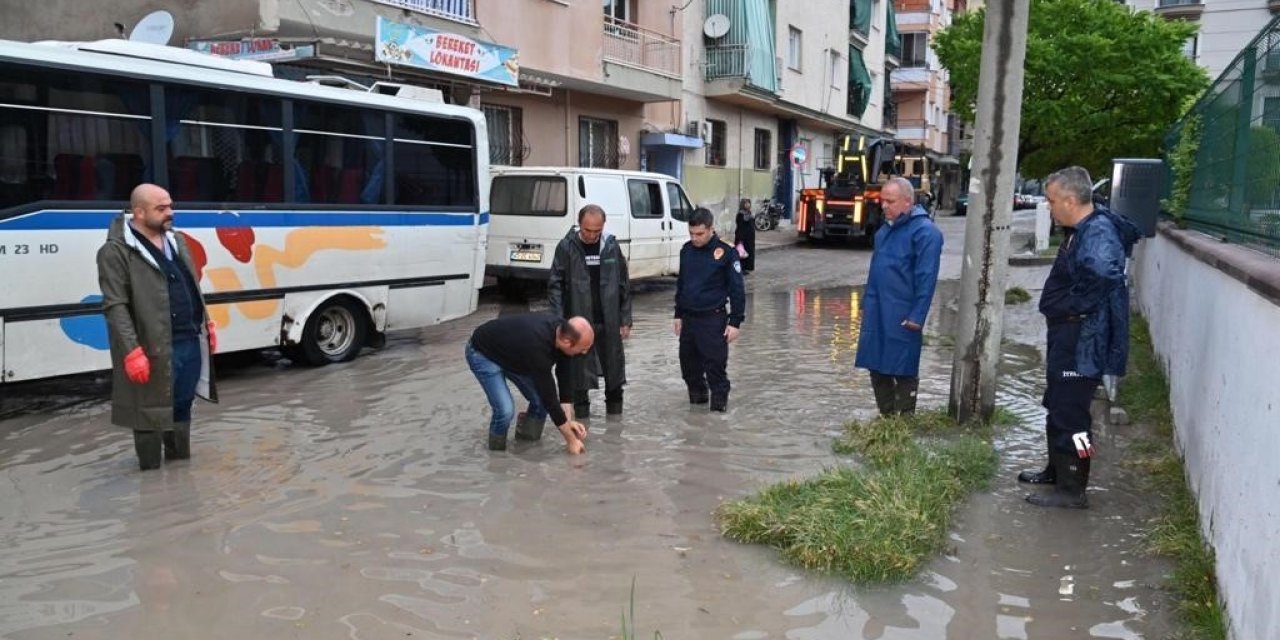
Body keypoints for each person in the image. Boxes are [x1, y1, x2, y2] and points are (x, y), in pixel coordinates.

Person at [1021, 166, 1140, 509]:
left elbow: (1104, 273)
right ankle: (1057, 470)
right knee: (1057, 403)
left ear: (1071, 201)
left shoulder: (1097, 233)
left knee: (1073, 416)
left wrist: (1074, 305)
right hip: (1068, 334)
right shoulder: (1079, 229)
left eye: (1052, 200)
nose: (1049, 206)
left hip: (1082, 339)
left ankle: (1074, 487)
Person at [97, 183, 217, 471]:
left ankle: (179, 477)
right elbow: (116, 305)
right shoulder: (115, 252)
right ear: (138, 212)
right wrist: (131, 351)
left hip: (189, 340)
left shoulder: (177, 241)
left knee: (182, 405)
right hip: (151, 347)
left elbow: (191, 286)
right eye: (161, 208)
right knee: (148, 413)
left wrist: (206, 322)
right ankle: (150, 477)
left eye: (170, 206)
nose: (170, 213)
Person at [854, 176, 944, 417]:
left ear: (907, 202)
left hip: (903, 311)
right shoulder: (885, 231)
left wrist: (918, 315)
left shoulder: (926, 233)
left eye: (889, 201)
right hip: (878, 308)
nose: (883, 206)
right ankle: (886, 417)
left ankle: (904, 422)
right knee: (875, 363)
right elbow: (876, 270)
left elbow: (927, 278)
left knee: (902, 367)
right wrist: (867, 303)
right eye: (882, 201)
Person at [465, 312, 594, 454]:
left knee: (539, 404)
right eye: (582, 349)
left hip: (515, 355)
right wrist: (571, 441)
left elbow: (565, 378)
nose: (584, 353)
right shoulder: (538, 347)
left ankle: (526, 447)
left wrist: (568, 422)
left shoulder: (565, 331)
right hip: (482, 354)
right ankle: (497, 455)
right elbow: (549, 398)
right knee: (505, 410)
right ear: (567, 342)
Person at [547, 204, 632, 417]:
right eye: (587, 230)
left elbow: (623, 284)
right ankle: (582, 423)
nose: (592, 235)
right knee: (578, 378)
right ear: (579, 224)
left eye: (597, 230)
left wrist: (625, 319)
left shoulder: (611, 246)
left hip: (609, 321)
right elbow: (555, 285)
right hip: (578, 322)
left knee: (614, 374)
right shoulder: (566, 247)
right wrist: (558, 322)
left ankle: (615, 429)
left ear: (603, 226)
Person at [674, 207, 746, 412]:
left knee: (715, 369)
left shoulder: (726, 253)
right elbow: (682, 284)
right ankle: (697, 411)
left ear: (711, 229)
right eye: (691, 233)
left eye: (699, 234)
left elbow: (737, 290)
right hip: (689, 319)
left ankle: (718, 412)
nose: (695, 238)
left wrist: (735, 322)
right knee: (688, 369)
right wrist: (678, 314)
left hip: (712, 320)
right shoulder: (686, 250)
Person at [734, 198, 756, 273]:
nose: (747, 205)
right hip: (742, 237)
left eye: (748, 203)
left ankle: (747, 267)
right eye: (746, 203)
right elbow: (740, 226)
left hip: (750, 238)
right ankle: (741, 268)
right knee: (741, 252)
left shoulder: (749, 213)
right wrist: (740, 239)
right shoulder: (741, 214)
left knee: (749, 252)